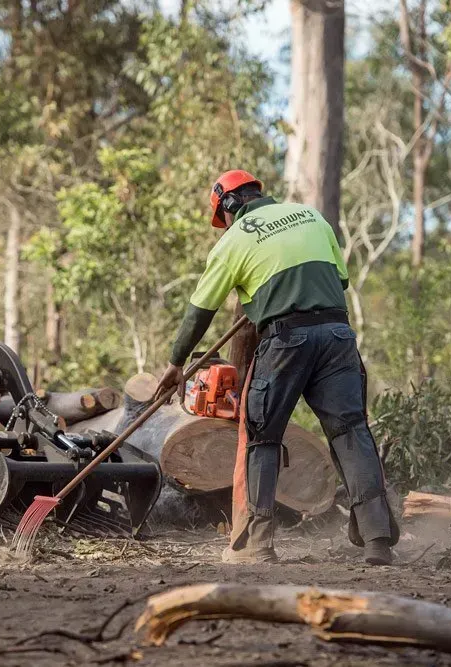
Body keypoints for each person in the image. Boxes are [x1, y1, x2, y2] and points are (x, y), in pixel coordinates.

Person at [154, 169, 399, 565]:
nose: (226, 225)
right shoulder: (311, 216)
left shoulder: (234, 240)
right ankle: (378, 540)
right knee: (350, 433)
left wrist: (175, 362)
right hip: (338, 336)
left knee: (261, 435)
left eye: (224, 218)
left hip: (286, 340)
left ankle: (257, 544)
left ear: (229, 205)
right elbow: (340, 280)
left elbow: (200, 310)